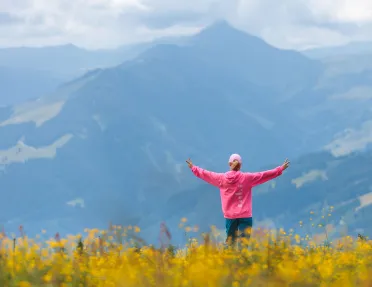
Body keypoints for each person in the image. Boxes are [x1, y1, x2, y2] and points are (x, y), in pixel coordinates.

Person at [186, 154, 290, 245]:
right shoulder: (247, 178)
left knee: (230, 244)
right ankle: (242, 265)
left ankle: (229, 265)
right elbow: (263, 175)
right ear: (240, 165)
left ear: (229, 164)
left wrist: (193, 168)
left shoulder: (221, 179)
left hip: (230, 217)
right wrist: (280, 169)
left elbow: (206, 174)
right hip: (245, 216)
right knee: (243, 246)